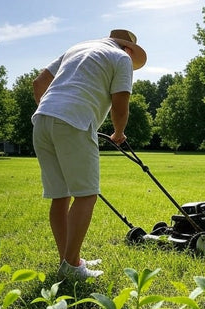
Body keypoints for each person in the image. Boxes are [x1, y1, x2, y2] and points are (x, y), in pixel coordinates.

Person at [32, 29, 147, 281]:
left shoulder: (77, 48)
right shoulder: (122, 58)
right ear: (128, 48)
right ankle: (72, 266)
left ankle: (68, 260)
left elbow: (39, 83)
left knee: (60, 196)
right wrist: (118, 133)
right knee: (86, 195)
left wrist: (52, 110)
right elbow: (120, 102)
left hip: (41, 121)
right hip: (74, 120)